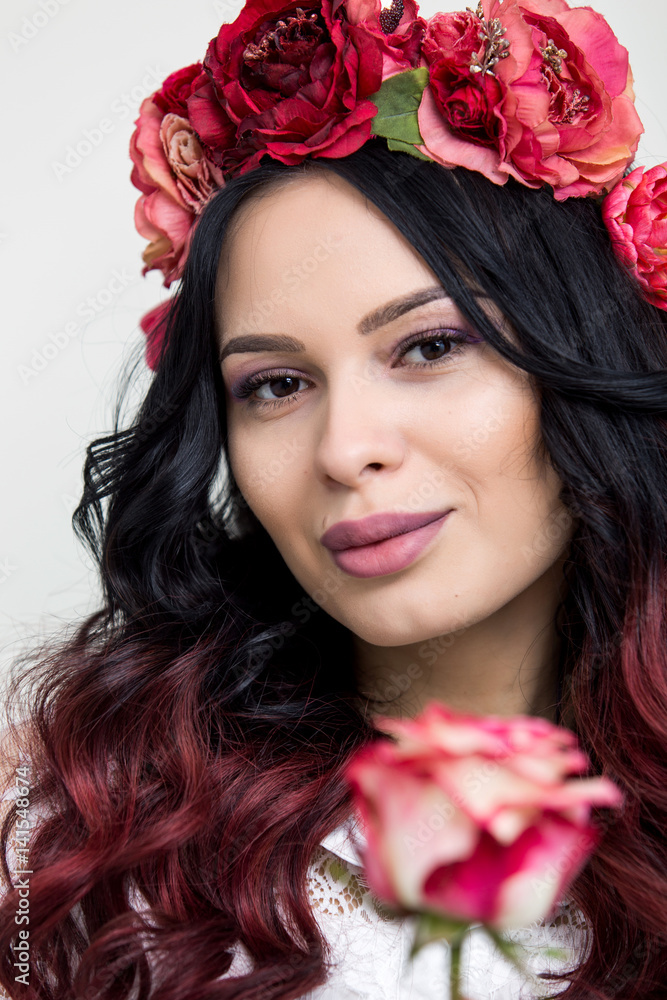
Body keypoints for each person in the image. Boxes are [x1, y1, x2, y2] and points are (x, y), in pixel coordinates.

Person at [1, 0, 666, 997]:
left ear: (581, 362)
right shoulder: (76, 826)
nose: (346, 450)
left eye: (429, 347)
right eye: (276, 384)